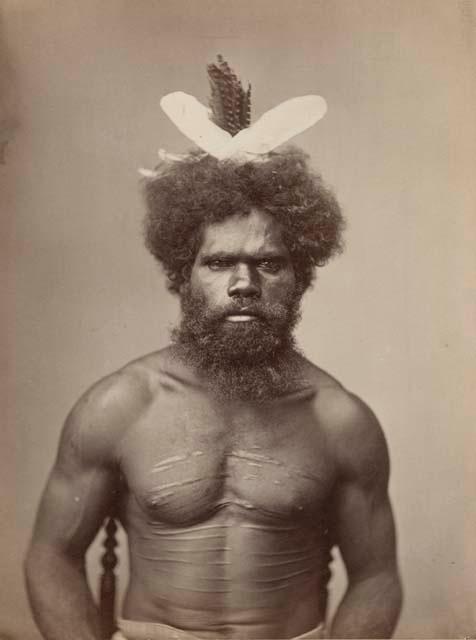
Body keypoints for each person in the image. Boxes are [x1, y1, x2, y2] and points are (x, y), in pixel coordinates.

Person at [25, 58, 402, 640]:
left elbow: (376, 577)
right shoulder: (120, 406)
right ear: (183, 274)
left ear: (299, 276)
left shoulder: (340, 420)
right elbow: (52, 556)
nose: (244, 284)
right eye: (220, 262)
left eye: (269, 263)